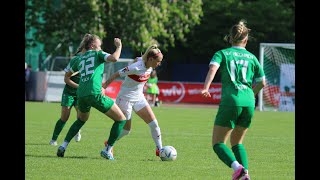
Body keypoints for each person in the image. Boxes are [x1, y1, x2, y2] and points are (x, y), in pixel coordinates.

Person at [200, 20, 266, 180]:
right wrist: (252, 94)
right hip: (249, 101)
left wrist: (206, 87)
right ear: (246, 39)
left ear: (230, 38)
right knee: (237, 142)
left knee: (218, 143)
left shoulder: (222, 53)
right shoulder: (252, 57)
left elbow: (213, 68)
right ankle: (246, 176)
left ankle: (238, 168)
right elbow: (263, 82)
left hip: (231, 100)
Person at [56, 33, 127, 160]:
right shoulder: (98, 53)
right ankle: (108, 149)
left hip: (81, 94)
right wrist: (119, 46)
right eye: (99, 44)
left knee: (81, 119)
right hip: (94, 93)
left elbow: (67, 75)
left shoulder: (80, 58)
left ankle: (63, 145)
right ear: (93, 45)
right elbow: (115, 58)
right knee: (121, 119)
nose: (101, 47)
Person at [102, 44, 164, 157]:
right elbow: (116, 74)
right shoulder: (136, 67)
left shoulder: (149, 65)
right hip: (125, 99)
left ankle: (160, 149)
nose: (159, 64)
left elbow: (139, 59)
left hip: (139, 97)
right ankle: (109, 145)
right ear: (151, 59)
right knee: (126, 131)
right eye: (158, 61)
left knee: (154, 124)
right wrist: (104, 87)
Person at [49, 42, 86, 146]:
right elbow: (66, 79)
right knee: (64, 117)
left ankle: (77, 130)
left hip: (81, 93)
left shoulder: (93, 60)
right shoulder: (76, 59)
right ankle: (53, 139)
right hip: (69, 92)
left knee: (81, 116)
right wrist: (79, 87)